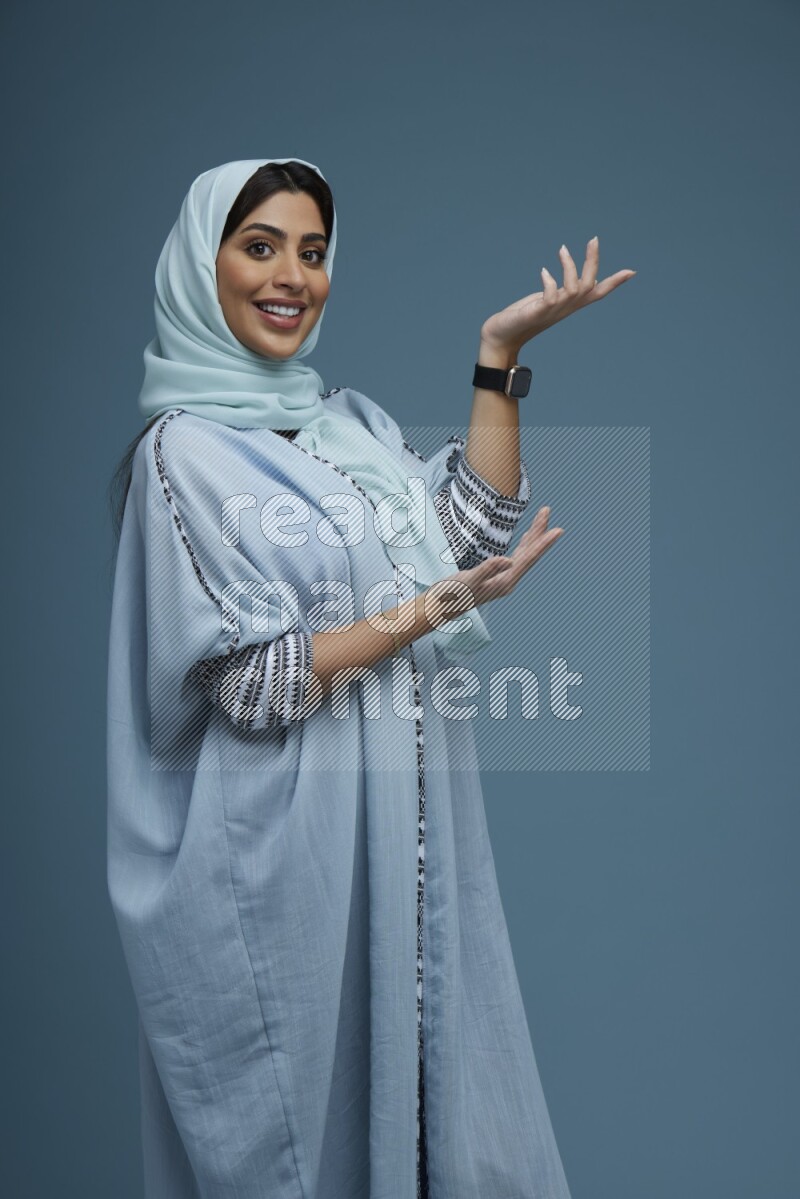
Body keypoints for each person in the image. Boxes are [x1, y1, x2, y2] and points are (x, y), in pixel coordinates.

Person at [106, 156, 635, 1199]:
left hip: (405, 838)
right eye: (259, 245)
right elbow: (255, 683)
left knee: (446, 1123)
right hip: (279, 857)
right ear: (199, 264)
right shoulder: (185, 456)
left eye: (311, 251)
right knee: (310, 1149)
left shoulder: (345, 425)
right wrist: (427, 610)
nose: (291, 275)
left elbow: (457, 532)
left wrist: (497, 357)